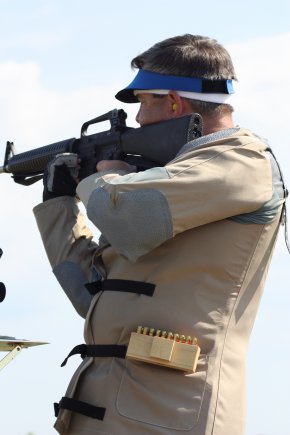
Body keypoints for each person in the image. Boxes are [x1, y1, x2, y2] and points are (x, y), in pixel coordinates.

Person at [33, 34, 287, 435]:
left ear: (173, 101)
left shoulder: (242, 162)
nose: (136, 119)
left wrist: (102, 178)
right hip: (106, 410)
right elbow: (93, 297)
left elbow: (127, 215)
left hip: (171, 415)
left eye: (143, 103)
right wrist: (58, 206)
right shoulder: (154, 185)